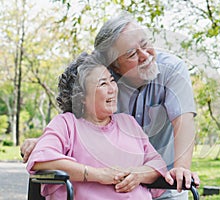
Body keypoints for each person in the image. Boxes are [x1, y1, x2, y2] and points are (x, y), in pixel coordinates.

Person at [21, 13, 200, 199]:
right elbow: (74, 116)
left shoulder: (171, 71)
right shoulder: (98, 75)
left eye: (146, 44)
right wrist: (47, 141)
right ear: (114, 65)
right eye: (131, 54)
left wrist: (179, 168)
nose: (145, 55)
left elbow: (183, 123)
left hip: (164, 181)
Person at [26, 51, 167, 200]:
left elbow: (157, 164)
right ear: (81, 96)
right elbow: (42, 160)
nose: (112, 89)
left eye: (112, 81)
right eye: (103, 84)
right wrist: (98, 175)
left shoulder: (128, 123)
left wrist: (138, 175)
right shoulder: (67, 124)